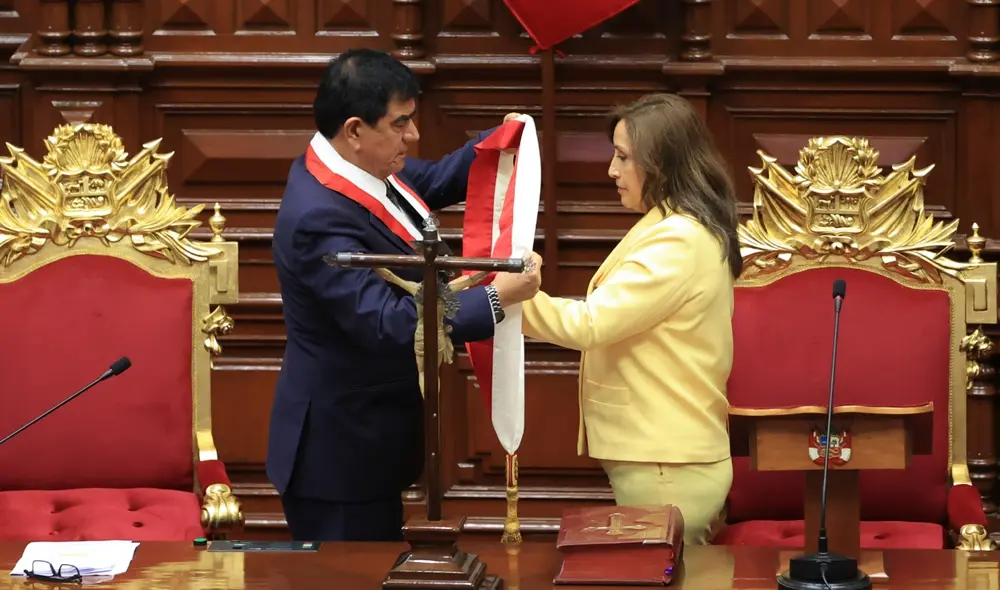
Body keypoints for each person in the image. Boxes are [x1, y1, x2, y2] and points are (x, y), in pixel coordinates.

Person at [266, 48, 540, 542]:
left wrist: (500, 140)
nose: (413, 136)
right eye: (401, 124)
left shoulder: (355, 167)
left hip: (369, 444)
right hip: (337, 460)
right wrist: (496, 297)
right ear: (354, 130)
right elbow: (394, 322)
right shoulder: (317, 218)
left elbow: (432, 180)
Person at [505, 94, 741, 545]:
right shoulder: (671, 223)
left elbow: (591, 324)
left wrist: (510, 297)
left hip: (668, 463)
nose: (612, 171)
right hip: (662, 456)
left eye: (623, 157)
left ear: (662, 163)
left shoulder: (679, 238)